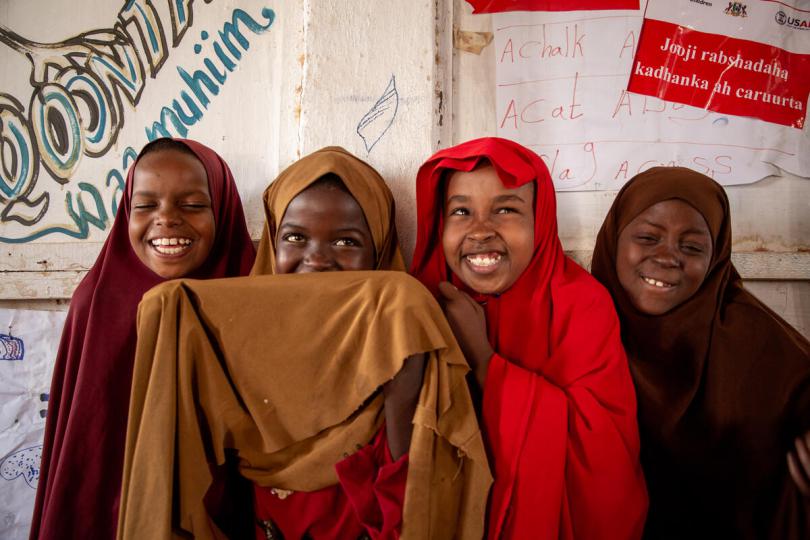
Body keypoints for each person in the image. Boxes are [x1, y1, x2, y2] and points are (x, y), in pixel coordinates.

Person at [117, 147, 492, 540]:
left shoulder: (402, 345)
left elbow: (415, 509)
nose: (317, 260)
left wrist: (402, 388)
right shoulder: (233, 353)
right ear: (270, 247)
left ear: (378, 254)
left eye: (347, 243)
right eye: (295, 237)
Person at [410, 137, 648, 539]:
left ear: (540, 220)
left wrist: (485, 362)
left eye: (505, 210)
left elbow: (605, 469)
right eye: (461, 211)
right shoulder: (418, 301)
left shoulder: (581, 306)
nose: (480, 231)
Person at [29, 138, 256, 540]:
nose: (166, 220)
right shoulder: (97, 304)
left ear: (221, 206)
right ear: (125, 214)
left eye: (193, 205)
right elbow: (85, 456)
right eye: (146, 205)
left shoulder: (250, 299)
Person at [590, 166, 810, 539]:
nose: (666, 257)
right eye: (647, 237)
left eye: (691, 247)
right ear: (613, 238)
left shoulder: (753, 337)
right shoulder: (577, 323)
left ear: (717, 258)